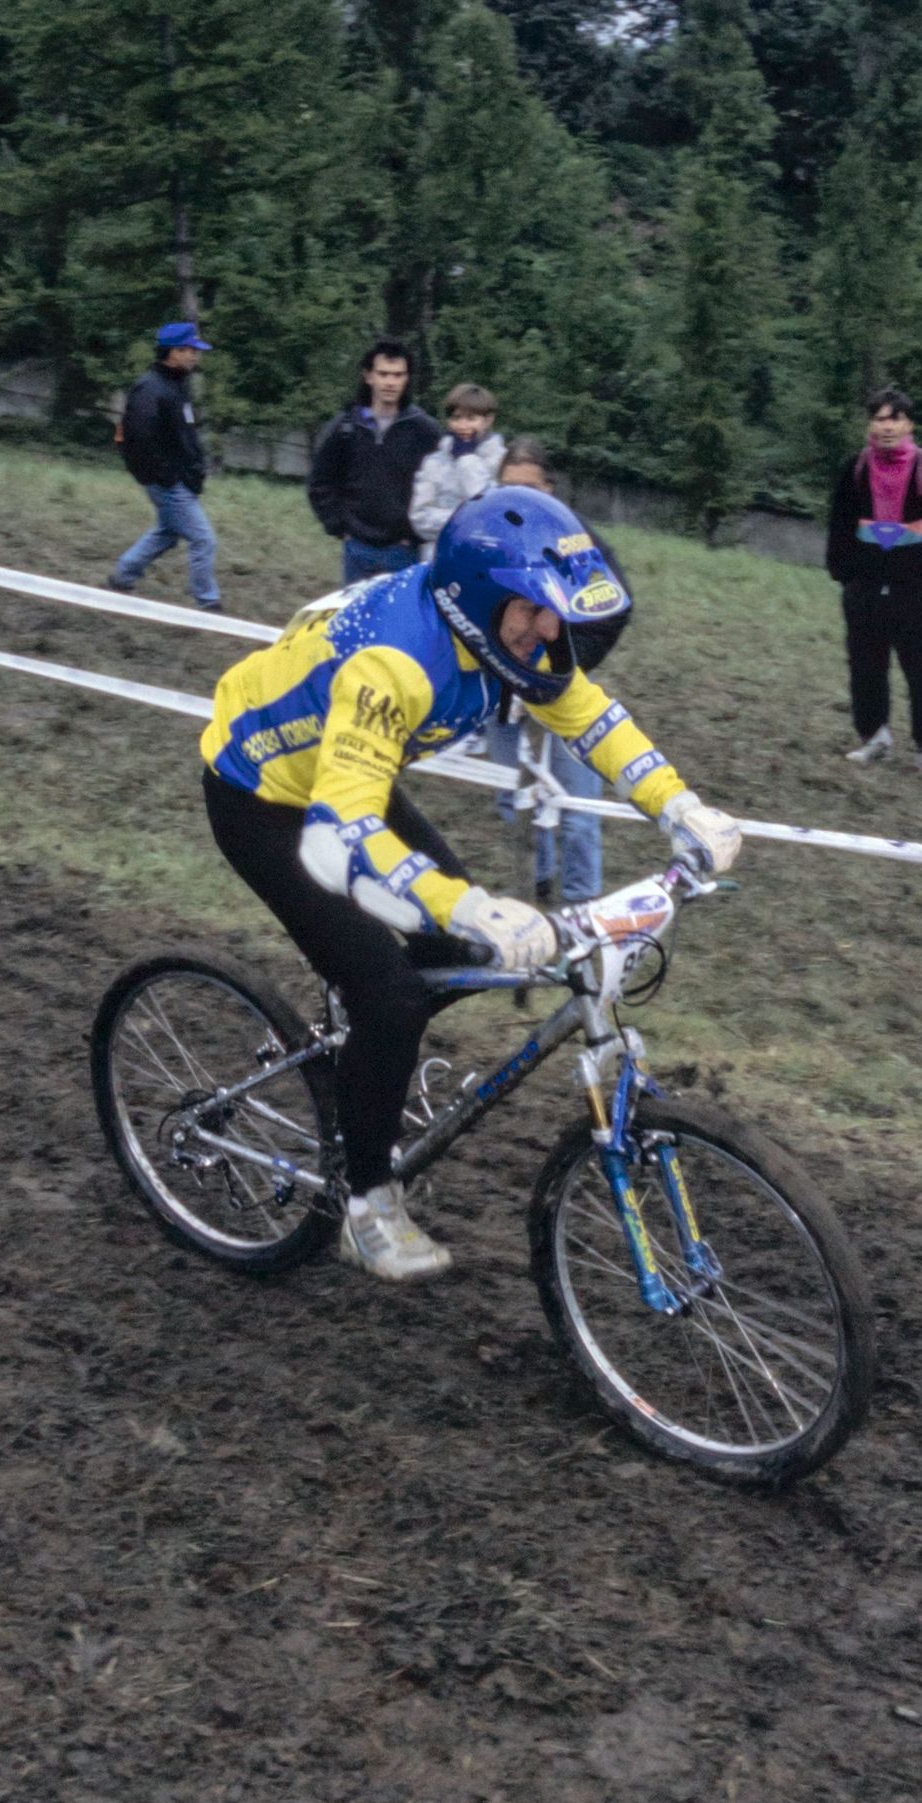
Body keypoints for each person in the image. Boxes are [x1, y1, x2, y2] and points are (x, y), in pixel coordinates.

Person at [200, 482, 744, 1281]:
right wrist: (476, 904)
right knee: (391, 991)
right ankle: (366, 1203)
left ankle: (363, 1067)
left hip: (347, 773)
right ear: (481, 601)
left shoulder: (505, 638)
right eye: (532, 610)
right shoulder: (396, 665)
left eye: (554, 613)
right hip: (268, 802)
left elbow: (589, 714)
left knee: (445, 952)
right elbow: (344, 836)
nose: (548, 630)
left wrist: (679, 806)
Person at [484, 436, 617, 906]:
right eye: (506, 488)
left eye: (528, 488)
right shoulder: (486, 537)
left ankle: (583, 900)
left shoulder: (579, 544)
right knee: (510, 795)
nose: (516, 499)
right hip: (500, 688)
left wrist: (562, 664)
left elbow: (613, 611)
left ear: (550, 489)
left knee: (578, 806)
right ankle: (534, 881)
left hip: (561, 690)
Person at [826, 386, 922, 774]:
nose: (887, 427)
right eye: (879, 419)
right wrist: (845, 575)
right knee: (866, 666)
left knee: (920, 669)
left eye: (895, 419)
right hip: (865, 588)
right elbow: (839, 523)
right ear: (870, 424)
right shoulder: (855, 469)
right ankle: (874, 737)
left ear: (909, 424)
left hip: (913, 590)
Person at [306, 336, 440, 584]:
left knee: (398, 620)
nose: (390, 382)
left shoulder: (425, 431)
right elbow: (320, 481)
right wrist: (340, 527)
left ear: (407, 378)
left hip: (404, 551)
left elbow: (443, 486)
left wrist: (414, 534)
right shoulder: (345, 427)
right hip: (357, 548)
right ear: (369, 376)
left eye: (398, 375)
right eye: (384, 374)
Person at [107, 321, 222, 608]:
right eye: (191, 350)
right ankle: (208, 603)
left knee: (167, 533)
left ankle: (122, 576)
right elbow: (137, 438)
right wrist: (166, 476)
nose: (196, 356)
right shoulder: (151, 388)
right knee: (203, 539)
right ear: (174, 352)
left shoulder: (175, 385)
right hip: (169, 481)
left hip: (178, 478)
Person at [409, 382, 505, 557]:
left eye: (471, 418)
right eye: (456, 418)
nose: (462, 425)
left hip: (484, 558)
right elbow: (419, 518)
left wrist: (467, 460)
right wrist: (467, 521)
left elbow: (489, 511)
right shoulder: (433, 462)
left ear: (488, 420)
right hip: (439, 558)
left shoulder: (502, 461)